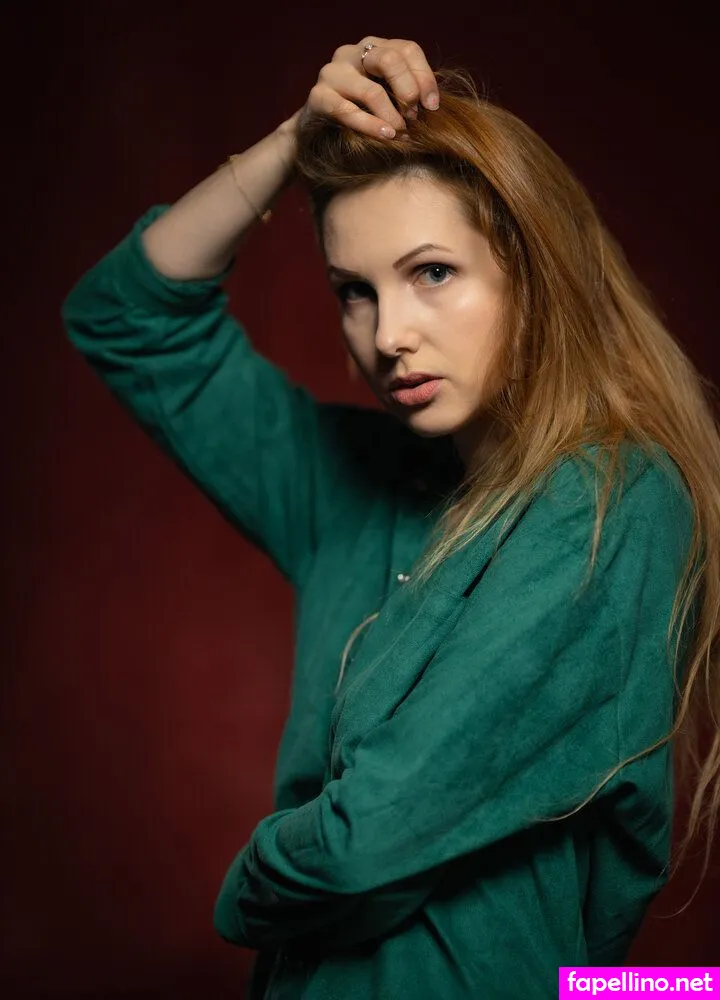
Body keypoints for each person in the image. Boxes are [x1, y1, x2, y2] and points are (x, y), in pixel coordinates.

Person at [60, 34, 719, 1000]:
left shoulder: (612, 499)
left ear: (533, 272)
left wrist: (242, 894)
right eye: (355, 292)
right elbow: (125, 319)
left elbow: (369, 838)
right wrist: (296, 142)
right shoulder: (353, 490)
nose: (389, 334)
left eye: (432, 273)